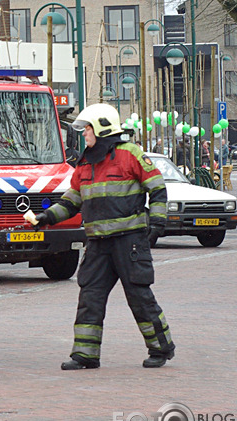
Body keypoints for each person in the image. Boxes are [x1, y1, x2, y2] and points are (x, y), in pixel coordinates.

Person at [32, 103, 175, 370]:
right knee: (90, 297)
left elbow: (157, 189)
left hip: (128, 241)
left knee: (139, 296)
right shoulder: (85, 162)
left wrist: (156, 223)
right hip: (97, 244)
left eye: (87, 128)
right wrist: (46, 218)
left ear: (101, 127)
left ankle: (161, 348)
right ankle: (85, 355)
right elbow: (72, 200)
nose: (84, 134)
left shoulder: (130, 154)